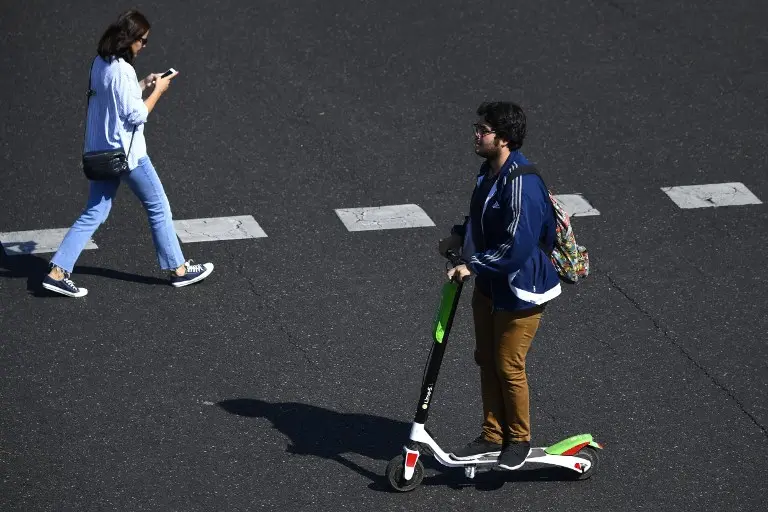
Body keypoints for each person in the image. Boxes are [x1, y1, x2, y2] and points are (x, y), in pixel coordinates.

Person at [42, 10, 213, 298]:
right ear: (129, 38)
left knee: (95, 211)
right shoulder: (122, 70)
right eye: (142, 40)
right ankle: (179, 269)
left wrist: (144, 83)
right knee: (158, 206)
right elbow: (136, 115)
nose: (144, 46)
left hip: (101, 152)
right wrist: (159, 91)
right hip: (127, 155)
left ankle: (57, 272)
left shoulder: (100, 63)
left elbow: (114, 98)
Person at [439, 101, 562, 470]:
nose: (476, 135)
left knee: (509, 364)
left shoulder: (522, 183)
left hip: (522, 289)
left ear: (504, 138)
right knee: (486, 358)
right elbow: (482, 216)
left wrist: (472, 265)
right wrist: (459, 235)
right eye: (477, 128)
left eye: (484, 130)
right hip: (492, 285)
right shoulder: (489, 171)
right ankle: (492, 434)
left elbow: (517, 246)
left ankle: (519, 439)